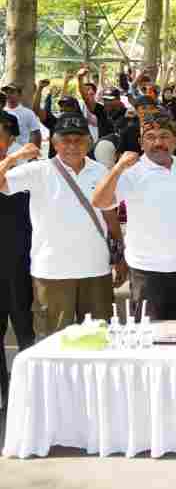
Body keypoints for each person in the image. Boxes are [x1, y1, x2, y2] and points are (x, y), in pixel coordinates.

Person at [0, 114, 125, 336]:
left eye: (79, 140)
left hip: (96, 270)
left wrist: (120, 256)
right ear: (55, 143)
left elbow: (109, 216)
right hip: (52, 272)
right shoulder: (39, 170)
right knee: (54, 343)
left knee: (100, 340)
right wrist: (14, 157)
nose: (72, 146)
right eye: (65, 140)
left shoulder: (100, 171)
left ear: (89, 142)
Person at [91, 113, 176, 322]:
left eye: (164, 136)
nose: (158, 142)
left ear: (175, 140)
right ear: (141, 142)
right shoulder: (132, 173)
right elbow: (100, 201)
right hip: (147, 272)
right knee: (149, 335)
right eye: (151, 137)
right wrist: (118, 168)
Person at [0, 111, 35, 402]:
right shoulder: (15, 162)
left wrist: (13, 159)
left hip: (19, 262)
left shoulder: (25, 167)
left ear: (11, 137)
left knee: (25, 329)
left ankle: (25, 397)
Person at [1, 84, 42, 149]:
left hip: (21, 153)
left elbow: (35, 133)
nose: (8, 95)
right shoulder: (2, 112)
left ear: (19, 95)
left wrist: (33, 155)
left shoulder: (28, 113)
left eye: (12, 92)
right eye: (6, 92)